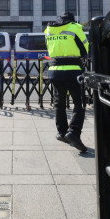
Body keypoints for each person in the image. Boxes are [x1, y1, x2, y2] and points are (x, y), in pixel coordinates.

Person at [44, 11, 90, 152]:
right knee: (79, 102)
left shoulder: (48, 30)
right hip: (73, 70)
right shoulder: (75, 28)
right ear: (72, 20)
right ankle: (74, 132)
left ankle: (62, 133)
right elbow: (84, 49)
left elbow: (50, 49)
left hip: (54, 70)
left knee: (59, 103)